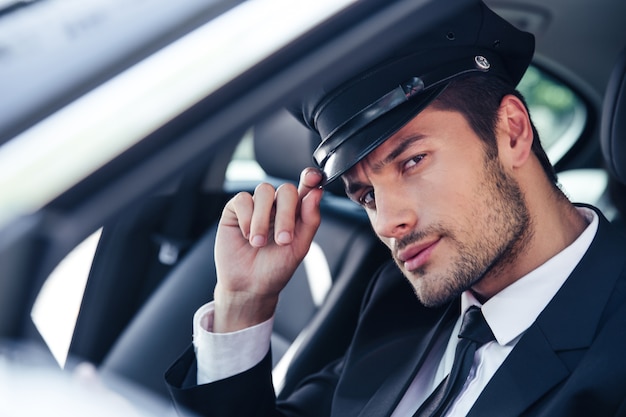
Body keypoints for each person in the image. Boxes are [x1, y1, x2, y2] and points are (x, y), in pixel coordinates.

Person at [165, 1, 626, 416]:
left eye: (412, 161)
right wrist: (244, 305)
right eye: (366, 195)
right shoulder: (400, 299)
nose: (387, 223)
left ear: (512, 131)